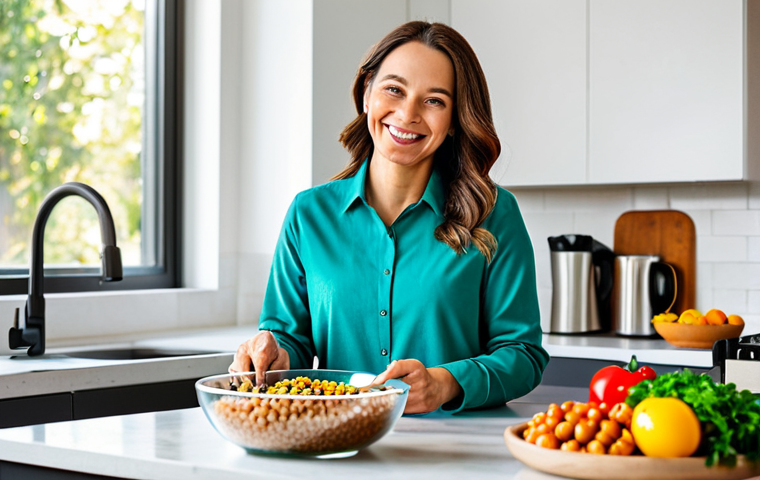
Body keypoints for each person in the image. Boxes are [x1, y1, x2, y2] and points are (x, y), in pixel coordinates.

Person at [229, 20, 549, 414]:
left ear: (453, 121)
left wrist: (445, 383)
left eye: (434, 100)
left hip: (456, 453)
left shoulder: (494, 214)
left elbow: (523, 355)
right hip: (339, 444)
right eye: (394, 90)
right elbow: (289, 340)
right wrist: (271, 353)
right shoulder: (308, 215)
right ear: (366, 94)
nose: (408, 113)